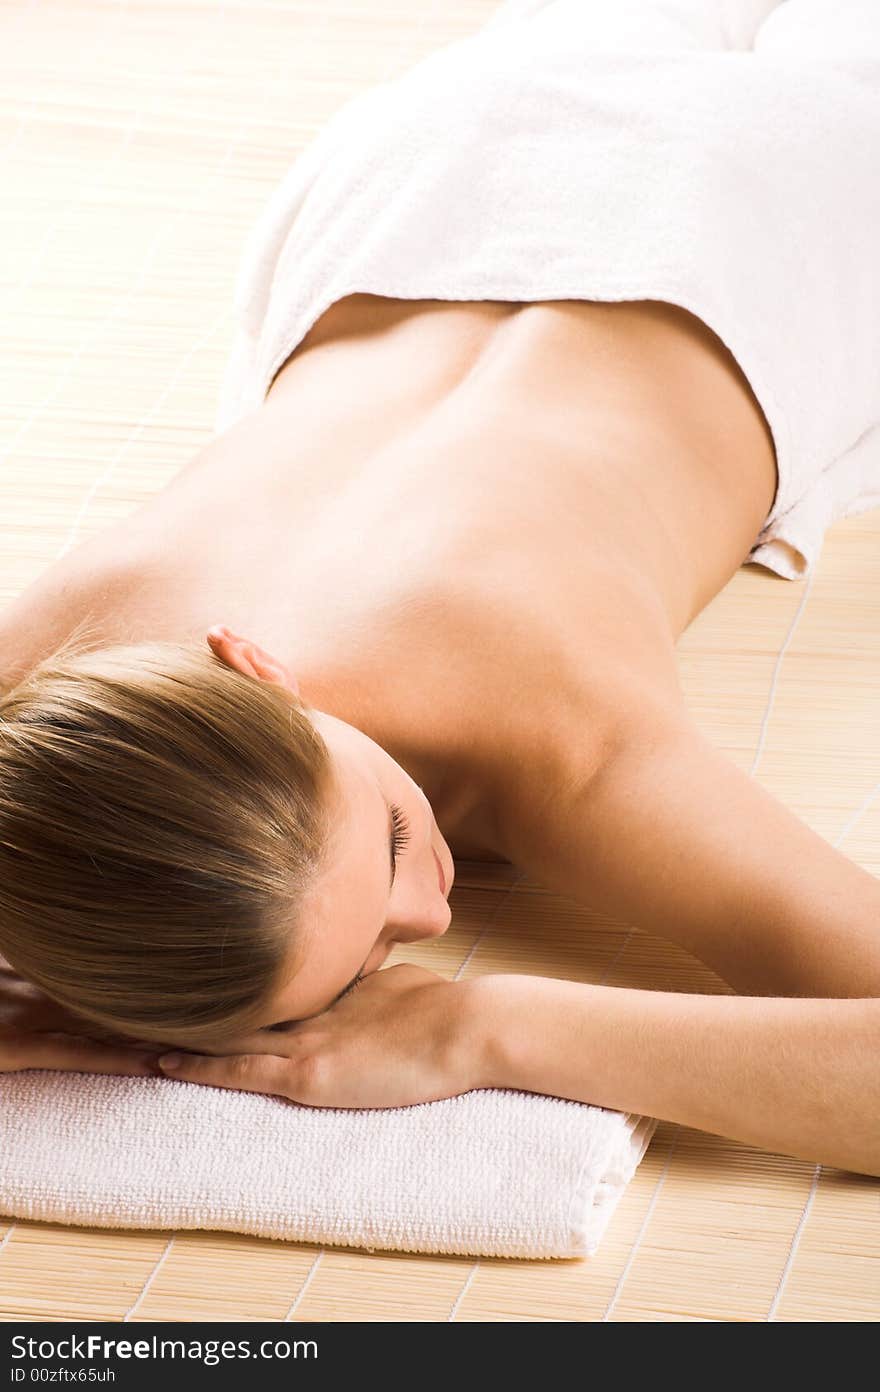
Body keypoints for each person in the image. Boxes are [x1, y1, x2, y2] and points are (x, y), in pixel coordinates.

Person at [1, 0, 879, 1176]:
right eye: (379, 954)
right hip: (451, 159)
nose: (428, 918)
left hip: (795, 202)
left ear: (257, 665)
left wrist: (477, 1023)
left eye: (397, 837)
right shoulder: (55, 684)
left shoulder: (550, 739)